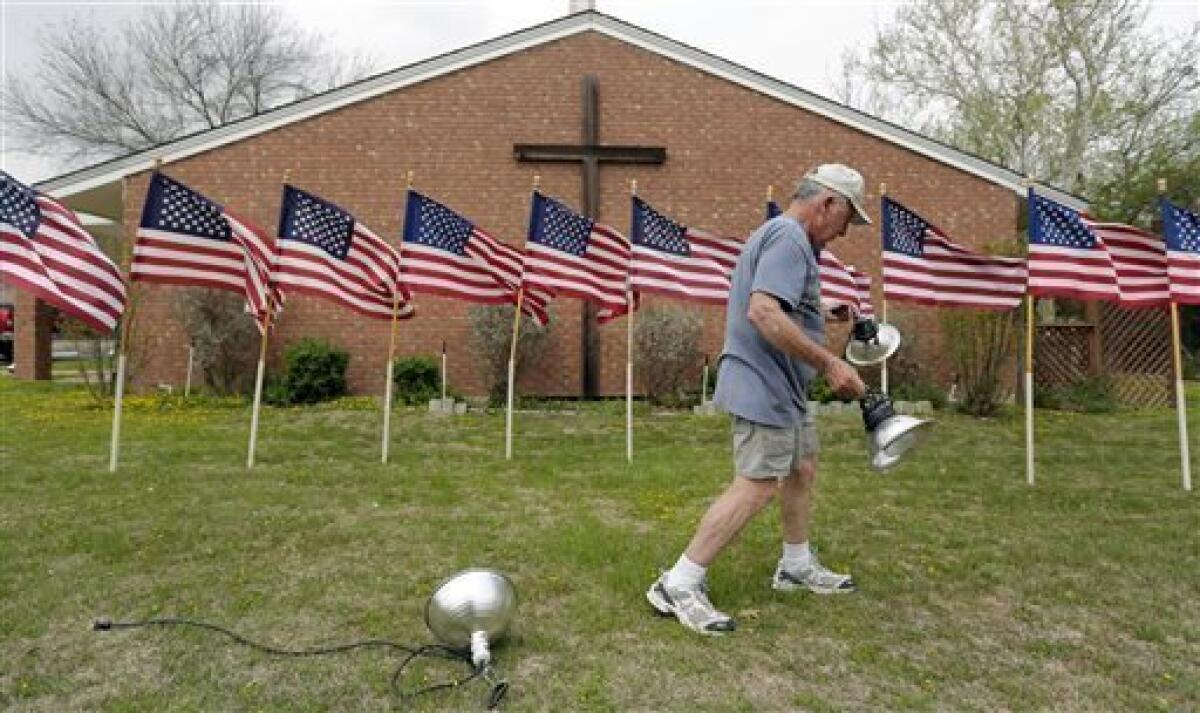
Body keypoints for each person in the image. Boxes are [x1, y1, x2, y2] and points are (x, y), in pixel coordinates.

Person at [647, 164, 871, 635]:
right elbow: (763, 311)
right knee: (758, 483)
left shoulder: (788, 239)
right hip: (763, 382)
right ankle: (678, 583)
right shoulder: (789, 238)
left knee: (801, 467)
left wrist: (820, 309)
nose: (846, 231)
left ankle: (795, 565)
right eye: (847, 217)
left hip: (784, 385)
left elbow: (774, 298)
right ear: (826, 203)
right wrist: (831, 363)